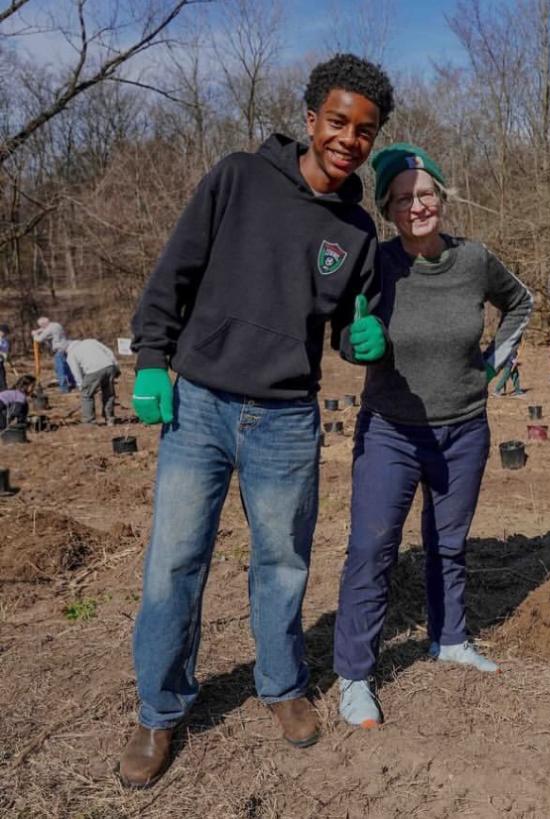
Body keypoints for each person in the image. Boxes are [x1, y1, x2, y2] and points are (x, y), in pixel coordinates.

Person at [119, 53, 394, 789]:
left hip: (287, 418)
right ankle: (160, 709)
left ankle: (282, 684)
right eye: (337, 122)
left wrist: (363, 340)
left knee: (282, 562)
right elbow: (174, 271)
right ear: (310, 119)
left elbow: (347, 327)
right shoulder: (238, 178)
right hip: (201, 405)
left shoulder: (357, 231)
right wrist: (151, 358)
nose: (348, 139)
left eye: (364, 130)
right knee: (174, 561)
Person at [332, 141, 533, 729]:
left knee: (448, 542)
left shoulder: (474, 259)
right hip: (390, 431)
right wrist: (356, 344)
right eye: (402, 198)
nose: (416, 206)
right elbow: (344, 328)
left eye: (424, 194)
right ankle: (355, 674)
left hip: (463, 428)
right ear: (387, 209)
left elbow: (520, 302)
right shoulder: (375, 261)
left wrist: (495, 362)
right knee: (372, 547)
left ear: (441, 197)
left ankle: (450, 638)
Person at [65, 338, 121, 424]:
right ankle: (110, 419)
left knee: (86, 395)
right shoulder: (91, 341)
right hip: (109, 366)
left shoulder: (71, 354)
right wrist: (116, 366)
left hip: (93, 370)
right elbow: (109, 352)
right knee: (108, 393)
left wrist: (81, 386)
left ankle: (89, 421)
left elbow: (76, 372)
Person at [32, 316, 73, 392]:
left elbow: (38, 339)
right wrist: (38, 330)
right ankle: (73, 383)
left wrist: (34, 334)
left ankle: (64, 388)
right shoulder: (56, 325)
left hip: (58, 350)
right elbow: (44, 330)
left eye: (41, 326)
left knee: (60, 370)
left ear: (43, 324)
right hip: (65, 348)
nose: (41, 327)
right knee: (67, 368)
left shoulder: (49, 329)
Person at [0, 324, 11, 391]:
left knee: (2, 376)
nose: (5, 334)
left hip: (1, 362)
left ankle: (3, 391)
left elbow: (6, 351)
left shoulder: (5, 341)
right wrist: (2, 354)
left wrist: (7, 356)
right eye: (4, 332)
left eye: (6, 332)